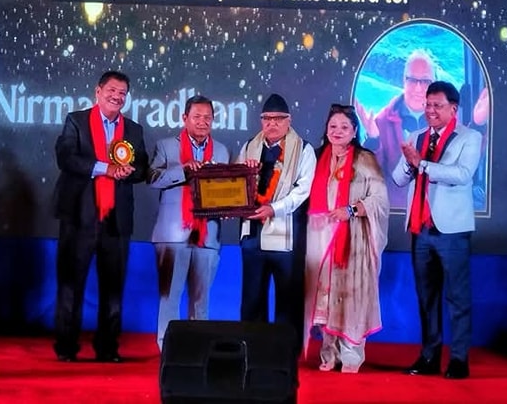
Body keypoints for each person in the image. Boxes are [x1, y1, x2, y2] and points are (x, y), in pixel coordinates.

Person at [52, 71, 148, 363]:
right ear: (98, 91)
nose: (117, 97)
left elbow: (143, 168)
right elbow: (66, 157)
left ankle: (107, 347)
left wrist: (129, 171)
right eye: (112, 90)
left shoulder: (133, 130)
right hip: (80, 217)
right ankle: (66, 347)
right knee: (71, 285)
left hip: (116, 221)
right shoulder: (76, 121)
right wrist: (105, 168)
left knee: (113, 288)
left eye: (122, 93)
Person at [392, 81, 481, 380]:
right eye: (427, 105)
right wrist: (410, 164)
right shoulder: (416, 136)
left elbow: (462, 175)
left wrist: (423, 165)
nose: (430, 110)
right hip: (420, 229)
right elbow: (398, 179)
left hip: (451, 230)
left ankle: (458, 359)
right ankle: (429, 356)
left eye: (437, 105)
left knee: (457, 298)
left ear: (453, 108)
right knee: (426, 297)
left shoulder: (469, 137)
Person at [303, 104, 389, 373]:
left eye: (344, 127)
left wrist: (351, 210)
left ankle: (351, 355)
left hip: (353, 239)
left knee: (351, 296)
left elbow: (379, 199)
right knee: (325, 297)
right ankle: (329, 353)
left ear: (354, 131)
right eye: (333, 126)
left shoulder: (365, 159)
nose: (337, 131)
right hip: (320, 238)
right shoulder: (317, 157)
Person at [148, 95, 230, 351]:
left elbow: (227, 189)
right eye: (197, 117)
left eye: (208, 117)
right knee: (169, 298)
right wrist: (184, 169)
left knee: (201, 300)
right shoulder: (165, 146)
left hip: (208, 234)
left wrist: (228, 206)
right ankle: (168, 347)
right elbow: (152, 178)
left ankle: (198, 348)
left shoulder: (222, 150)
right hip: (173, 234)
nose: (203, 122)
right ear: (185, 118)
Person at [238, 93, 316, 350]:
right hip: (252, 234)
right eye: (267, 119)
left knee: (288, 299)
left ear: (289, 120)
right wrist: (245, 175)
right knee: (252, 298)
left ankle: (285, 353)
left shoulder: (303, 149)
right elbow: (236, 184)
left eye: (278, 119)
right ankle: (252, 349)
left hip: (285, 236)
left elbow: (302, 191)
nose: (272, 124)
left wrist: (274, 209)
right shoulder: (249, 147)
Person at [357, 50, 434, 208]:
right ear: (403, 81)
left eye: (425, 81)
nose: (418, 88)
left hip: (436, 212)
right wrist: (373, 139)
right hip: (397, 213)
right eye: (412, 80)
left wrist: (478, 123)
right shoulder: (381, 122)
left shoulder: (447, 118)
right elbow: (371, 176)